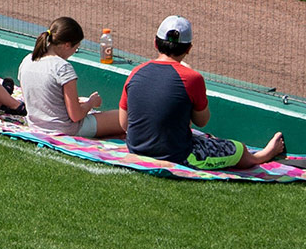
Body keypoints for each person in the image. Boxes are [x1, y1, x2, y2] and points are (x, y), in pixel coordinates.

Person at [120, 16, 286, 168]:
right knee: (238, 149)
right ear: (189, 49)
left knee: (202, 137)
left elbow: (124, 123)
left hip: (136, 149)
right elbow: (202, 120)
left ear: (156, 43)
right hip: (177, 155)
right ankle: (262, 156)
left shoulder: (136, 72)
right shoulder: (191, 77)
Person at [17, 18, 124, 139]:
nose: (74, 52)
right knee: (126, 118)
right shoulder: (62, 67)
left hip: (36, 125)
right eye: (75, 48)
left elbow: (35, 98)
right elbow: (76, 115)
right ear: (67, 45)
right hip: (66, 129)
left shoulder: (28, 60)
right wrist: (91, 103)